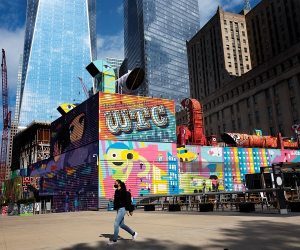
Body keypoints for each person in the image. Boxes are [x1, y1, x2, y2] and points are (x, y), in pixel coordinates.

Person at [108, 180, 138, 245]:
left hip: (122, 209)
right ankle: (134, 233)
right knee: (121, 225)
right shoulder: (116, 191)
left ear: (119, 184)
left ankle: (114, 240)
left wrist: (130, 210)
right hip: (118, 209)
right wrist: (113, 200)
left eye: (115, 183)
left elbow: (127, 201)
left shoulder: (124, 192)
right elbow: (117, 200)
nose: (114, 184)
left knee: (116, 224)